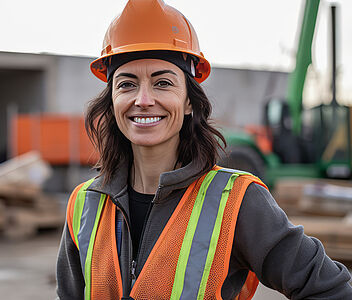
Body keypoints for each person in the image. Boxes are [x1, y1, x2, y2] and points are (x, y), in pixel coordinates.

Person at [56, 0, 352, 299]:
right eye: (126, 84)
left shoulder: (236, 201)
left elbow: (332, 290)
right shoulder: (84, 204)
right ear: (111, 101)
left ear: (188, 102)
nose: (143, 99)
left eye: (162, 83)